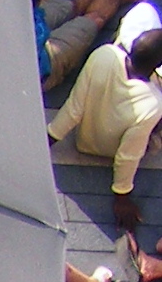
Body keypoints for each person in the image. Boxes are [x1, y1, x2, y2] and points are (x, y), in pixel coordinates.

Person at [54, 25, 162, 225]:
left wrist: (47, 139)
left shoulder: (104, 54)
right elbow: (128, 155)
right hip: (110, 151)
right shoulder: (153, 103)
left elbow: (74, 109)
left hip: (83, 139)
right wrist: (122, 197)